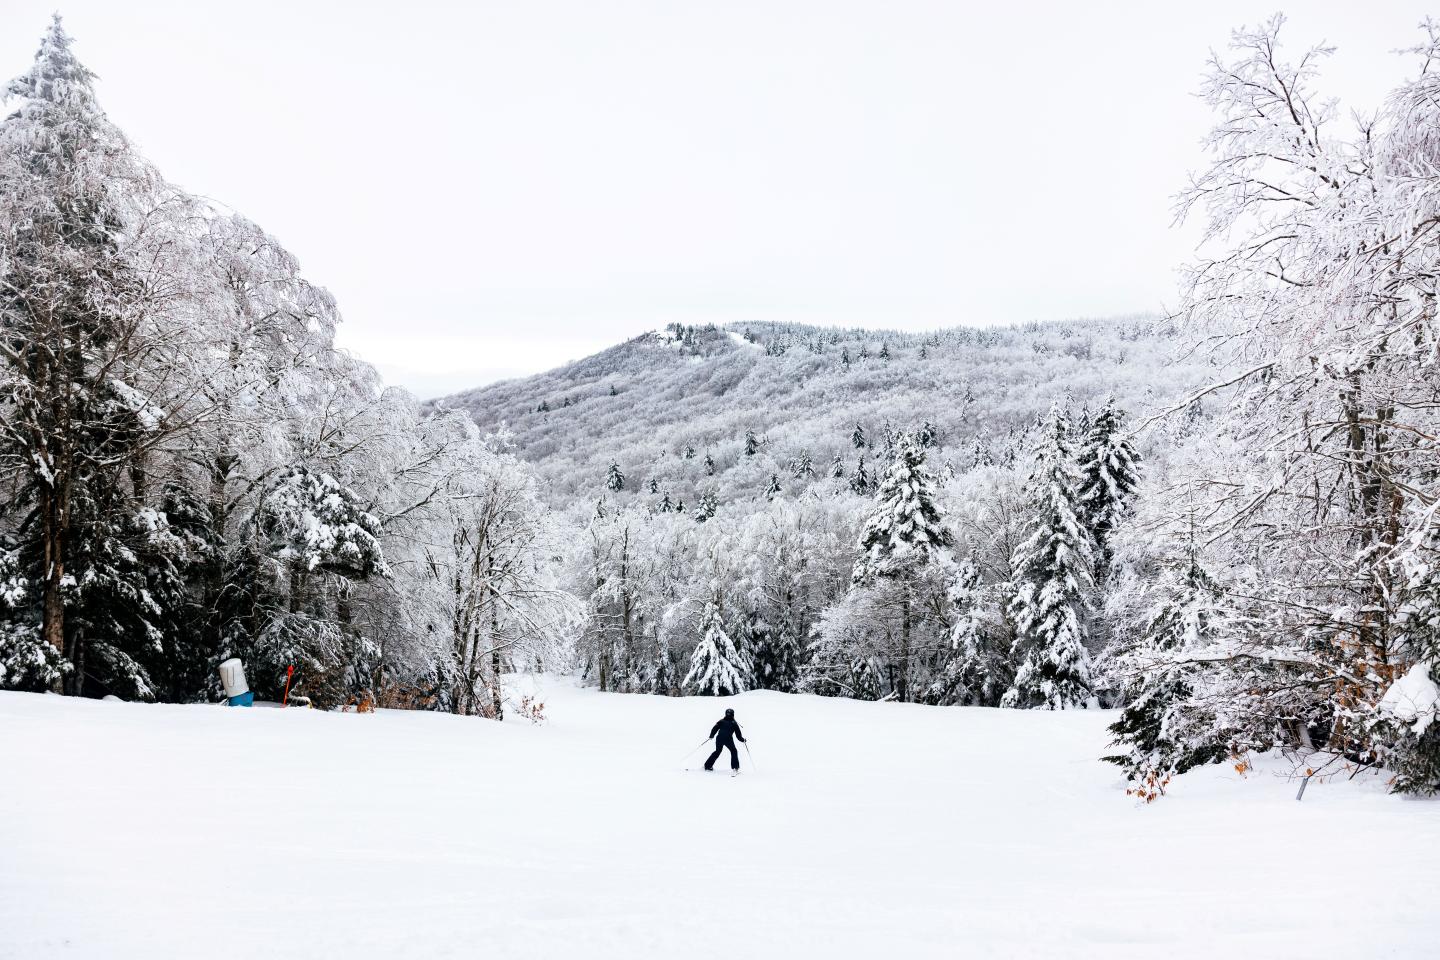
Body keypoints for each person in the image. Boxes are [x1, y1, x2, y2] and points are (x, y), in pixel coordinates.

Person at [703, 707, 746, 772]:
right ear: (733, 714)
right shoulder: (734, 723)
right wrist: (743, 740)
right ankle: (735, 767)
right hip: (728, 739)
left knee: (717, 751)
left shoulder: (721, 721)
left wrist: (712, 735)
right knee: (733, 751)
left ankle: (707, 766)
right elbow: (738, 735)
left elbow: (714, 728)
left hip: (719, 738)